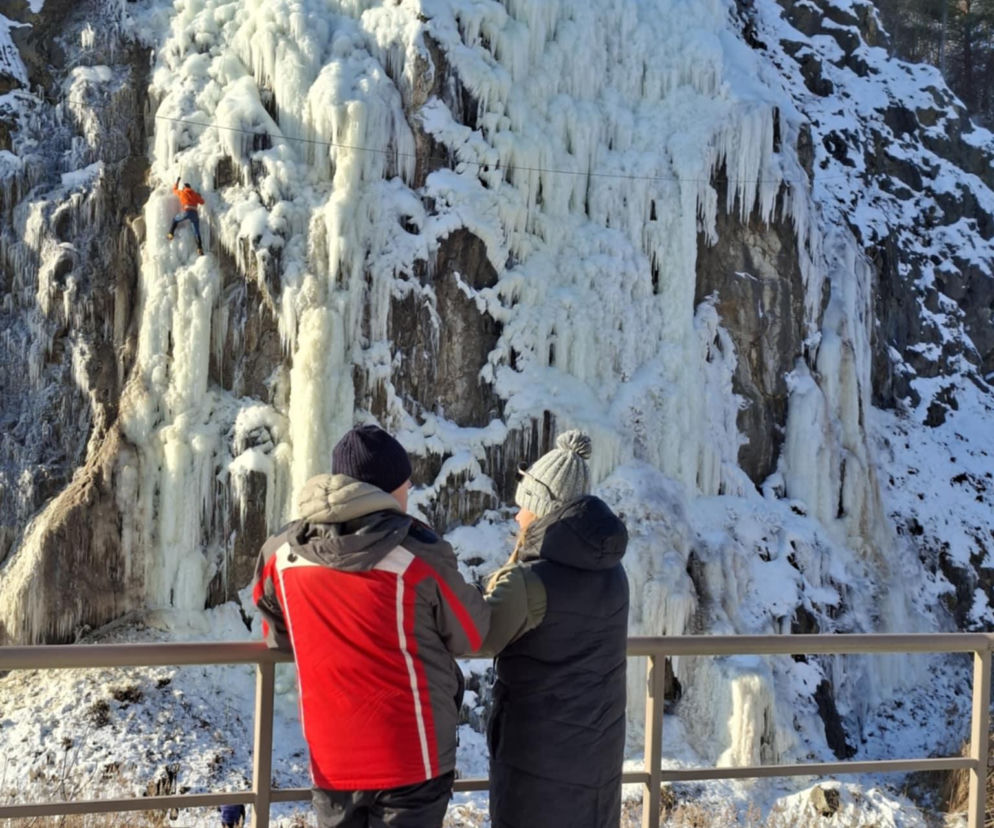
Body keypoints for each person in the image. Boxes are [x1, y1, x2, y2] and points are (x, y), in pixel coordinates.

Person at [253, 424, 490, 828]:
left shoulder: (283, 554)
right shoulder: (418, 555)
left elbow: (276, 628)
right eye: (405, 484)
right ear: (387, 490)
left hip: (331, 759)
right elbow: (470, 634)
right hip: (412, 757)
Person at [480, 430, 629, 828]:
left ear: (543, 510)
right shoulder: (613, 571)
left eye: (524, 506)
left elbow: (479, 634)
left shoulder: (528, 582)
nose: (516, 516)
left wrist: (498, 580)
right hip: (598, 752)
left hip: (538, 756)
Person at [167, 177, 205, 254]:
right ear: (190, 187)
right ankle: (199, 248)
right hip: (194, 214)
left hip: (186, 212)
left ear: (184, 188)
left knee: (175, 219)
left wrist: (177, 181)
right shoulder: (194, 194)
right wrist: (199, 196)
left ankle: (171, 234)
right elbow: (202, 202)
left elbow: (174, 190)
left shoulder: (182, 192)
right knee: (196, 232)